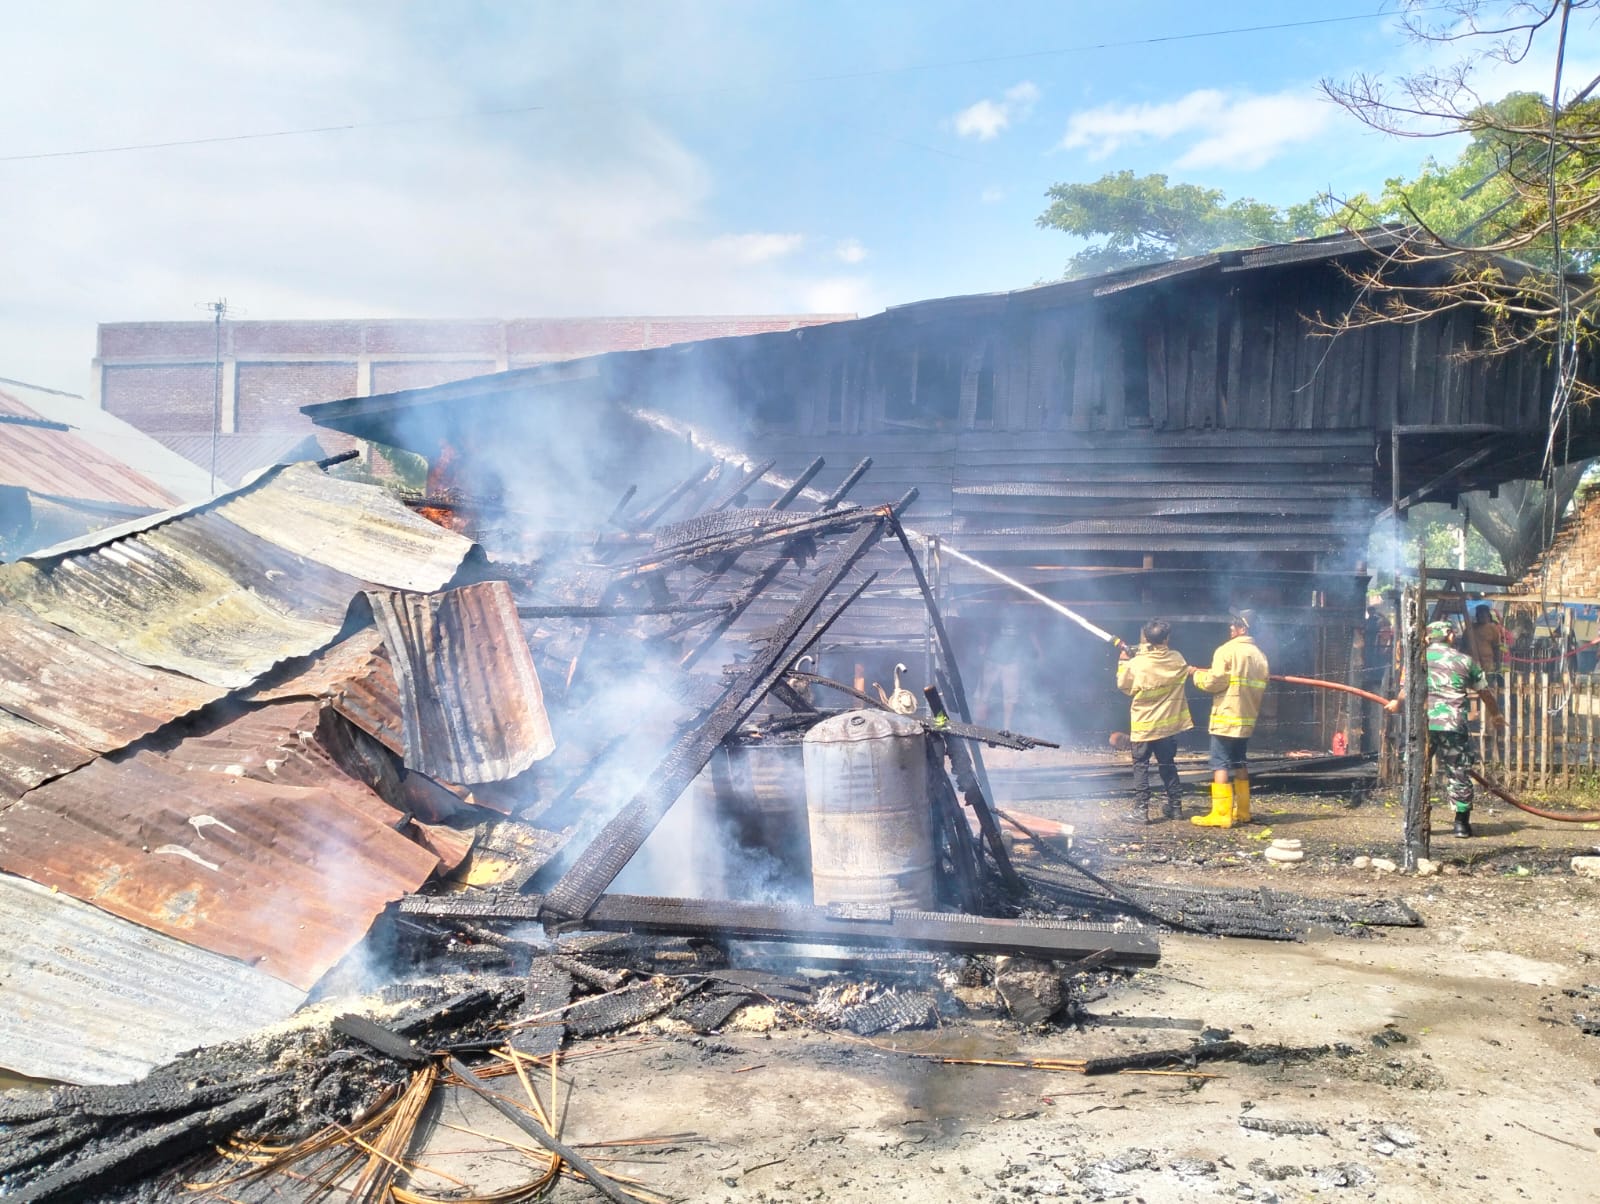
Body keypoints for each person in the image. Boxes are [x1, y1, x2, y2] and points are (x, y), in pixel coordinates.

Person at [1385, 619, 1502, 838]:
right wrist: (1496, 715)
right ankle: (1461, 825)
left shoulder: (1416, 661)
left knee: (1415, 770)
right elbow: (1485, 692)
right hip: (1453, 725)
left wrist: (1396, 704)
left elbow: (1405, 691)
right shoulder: (1465, 661)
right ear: (1450, 636)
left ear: (1428, 638)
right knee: (1458, 772)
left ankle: (1415, 824)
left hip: (1423, 726)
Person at [1189, 608, 1270, 828]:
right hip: (1246, 719)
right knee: (1240, 761)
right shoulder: (1260, 656)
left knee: (1220, 763)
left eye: (1234, 624)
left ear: (1243, 629)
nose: (1230, 627)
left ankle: (1221, 814)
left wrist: (1196, 675)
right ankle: (1243, 811)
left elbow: (1214, 681)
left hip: (1226, 717)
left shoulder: (1226, 650)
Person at [1116, 619, 1193, 823]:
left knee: (1141, 766)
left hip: (1144, 726)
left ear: (1146, 638)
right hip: (1167, 726)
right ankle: (1176, 808)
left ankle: (1141, 811)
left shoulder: (1137, 664)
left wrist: (1123, 661)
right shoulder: (1177, 658)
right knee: (1168, 764)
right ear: (1167, 638)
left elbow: (1125, 687)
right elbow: (1162, 660)